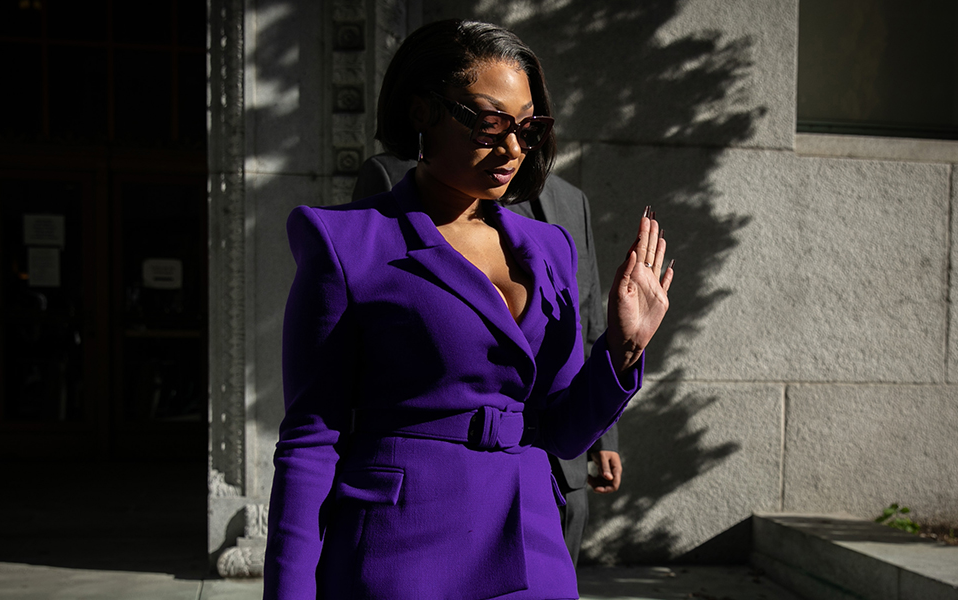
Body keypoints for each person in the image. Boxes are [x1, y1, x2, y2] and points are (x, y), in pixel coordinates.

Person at [264, 19, 672, 599]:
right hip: (399, 550)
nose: (512, 148)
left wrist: (624, 350)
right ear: (422, 112)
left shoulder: (550, 247)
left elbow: (561, 431)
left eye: (527, 128)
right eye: (489, 122)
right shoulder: (345, 241)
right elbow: (310, 440)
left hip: (531, 547)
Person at [353, 154, 622, 567]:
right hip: (446, 477)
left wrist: (606, 436)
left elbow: (585, 316)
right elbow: (364, 336)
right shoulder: (391, 174)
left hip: (560, 462)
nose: (513, 140)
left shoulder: (572, 200)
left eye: (529, 119)